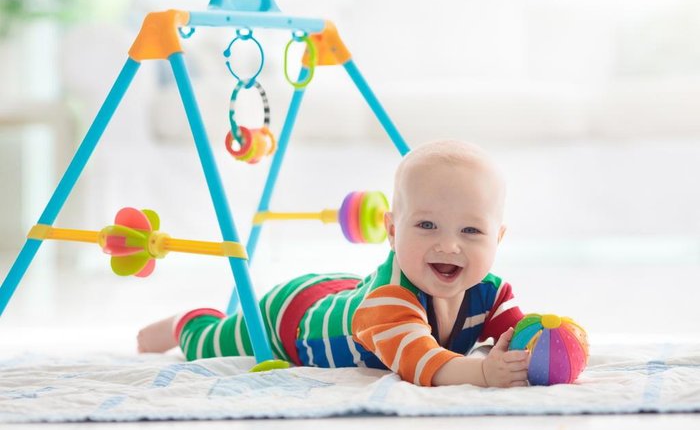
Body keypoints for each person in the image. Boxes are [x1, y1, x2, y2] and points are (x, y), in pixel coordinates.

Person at [137, 140, 529, 387]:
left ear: (498, 238)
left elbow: (524, 334)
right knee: (210, 343)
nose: (448, 245)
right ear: (392, 232)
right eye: (426, 225)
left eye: (471, 231)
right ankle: (183, 321)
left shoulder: (490, 292)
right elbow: (422, 363)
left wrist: (550, 335)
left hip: (343, 291)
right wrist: (482, 373)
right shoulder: (389, 302)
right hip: (290, 318)